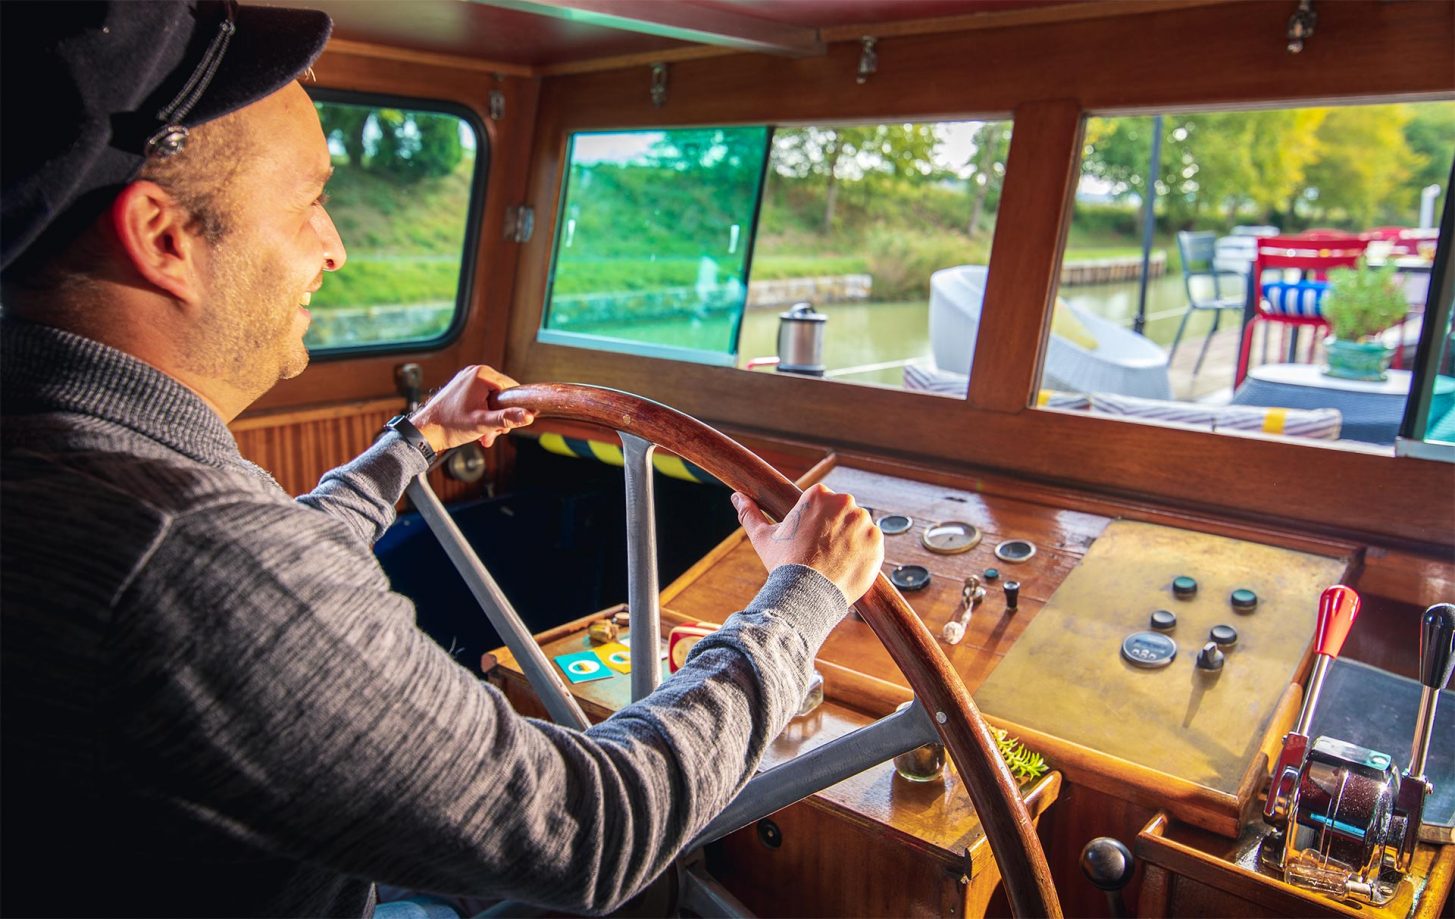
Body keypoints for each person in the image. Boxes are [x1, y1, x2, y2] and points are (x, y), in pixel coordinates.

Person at [0, 2, 884, 916]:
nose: (334, 246)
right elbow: (591, 829)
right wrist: (801, 598)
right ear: (163, 238)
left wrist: (415, 442)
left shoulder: (73, 461)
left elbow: (279, 560)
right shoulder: (187, 556)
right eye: (308, 202)